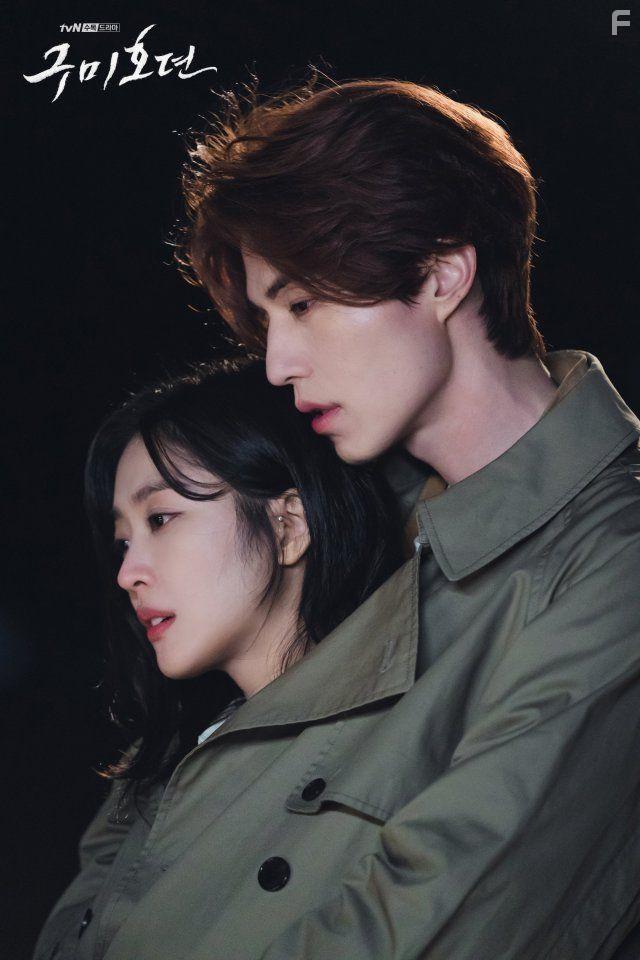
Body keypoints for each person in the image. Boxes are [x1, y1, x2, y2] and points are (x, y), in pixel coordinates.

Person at [176, 78, 640, 959]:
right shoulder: (342, 524)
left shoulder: (616, 566)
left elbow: (437, 918)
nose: (277, 363)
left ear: (442, 274)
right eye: (267, 319)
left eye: (303, 305)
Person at [32, 359, 404, 960]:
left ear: (289, 525)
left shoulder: (392, 737)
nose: (128, 573)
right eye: (123, 542)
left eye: (161, 519)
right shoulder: (159, 764)